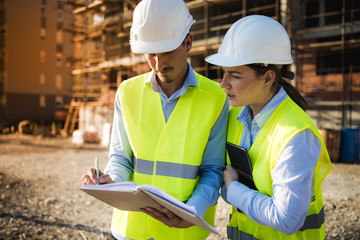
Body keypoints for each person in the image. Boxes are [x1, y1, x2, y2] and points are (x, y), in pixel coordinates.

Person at [81, 0, 228, 239]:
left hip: (182, 232)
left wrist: (193, 210)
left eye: (167, 51)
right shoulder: (127, 92)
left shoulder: (216, 98)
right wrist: (110, 180)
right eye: (151, 54)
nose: (159, 64)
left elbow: (213, 170)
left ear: (188, 42)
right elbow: (121, 159)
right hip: (131, 229)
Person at [205, 15, 333, 239]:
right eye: (223, 73)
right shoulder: (235, 116)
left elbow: (287, 219)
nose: (223, 84)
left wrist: (234, 190)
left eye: (234, 75)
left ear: (268, 78)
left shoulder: (295, 135)